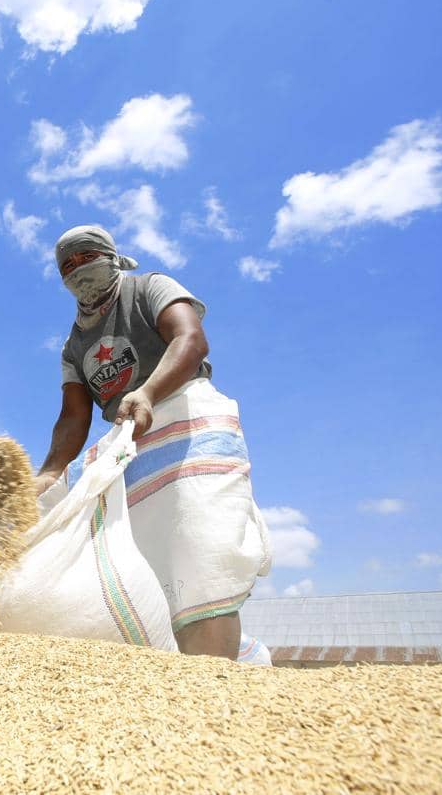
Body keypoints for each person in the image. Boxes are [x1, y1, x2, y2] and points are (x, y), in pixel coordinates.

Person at [32, 225, 271, 661]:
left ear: (109, 256)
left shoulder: (148, 288)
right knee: (142, 566)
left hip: (185, 415)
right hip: (129, 440)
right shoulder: (74, 346)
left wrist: (148, 392)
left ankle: (216, 675)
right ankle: (182, 669)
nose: (77, 270)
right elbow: (73, 415)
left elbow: (190, 338)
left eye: (86, 258)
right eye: (67, 266)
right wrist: (50, 469)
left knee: (198, 543)